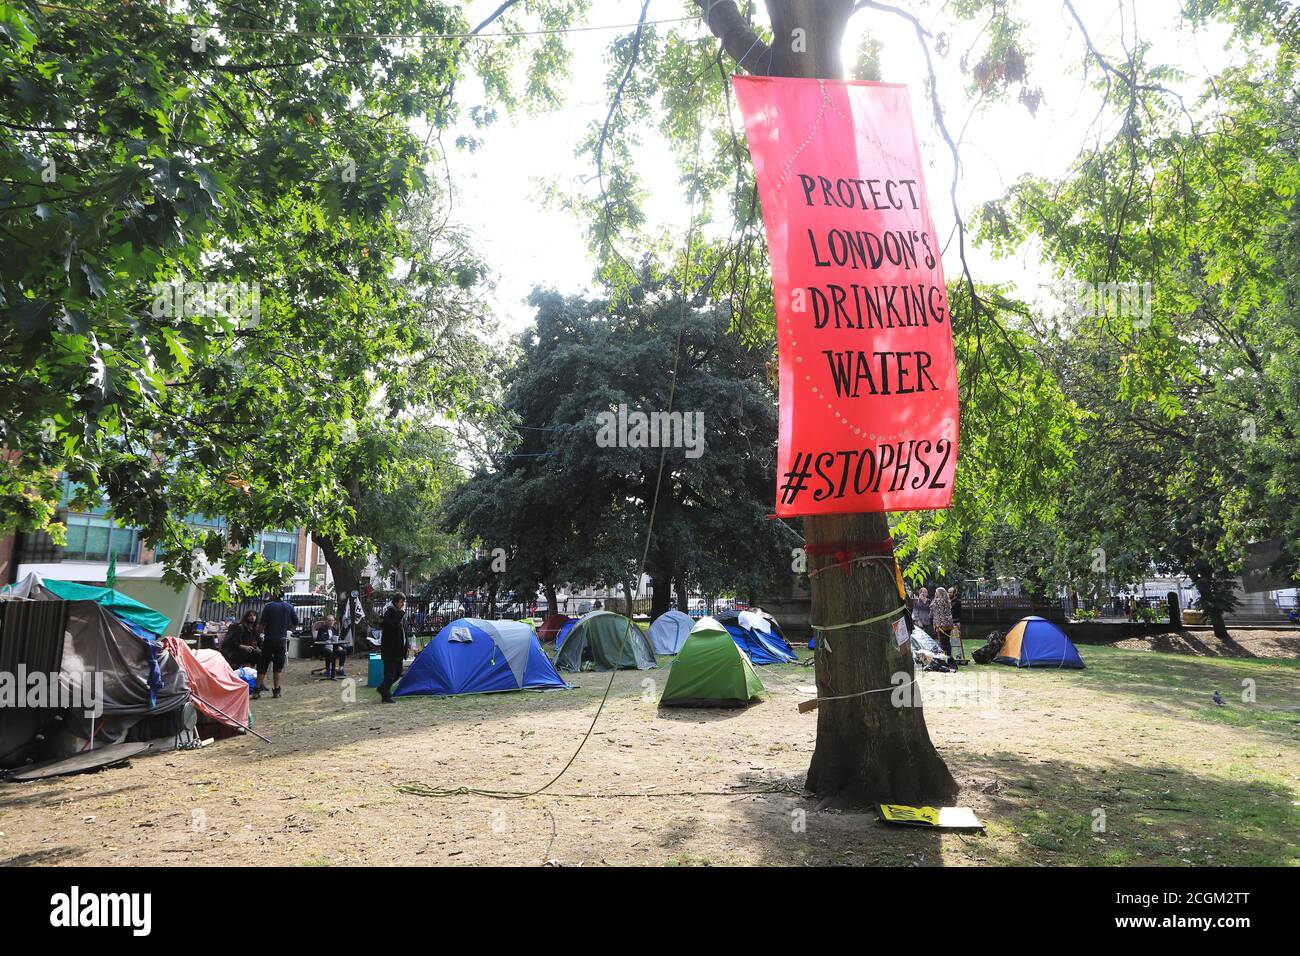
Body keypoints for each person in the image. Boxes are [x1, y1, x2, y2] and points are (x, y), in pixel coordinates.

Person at [255, 595, 297, 699]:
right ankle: (276, 690)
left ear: (273, 595)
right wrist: (288, 629)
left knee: (263, 665)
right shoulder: (289, 607)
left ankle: (257, 690)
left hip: (269, 639)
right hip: (281, 640)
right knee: (278, 666)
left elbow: (263, 624)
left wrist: (257, 634)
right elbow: (295, 622)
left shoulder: (268, 606)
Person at [377, 592, 408, 703]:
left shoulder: (401, 613)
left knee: (397, 673)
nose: (403, 604)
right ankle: (385, 695)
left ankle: (382, 689)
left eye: (404, 602)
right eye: (401, 602)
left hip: (399, 650)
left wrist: (406, 646)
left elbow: (403, 631)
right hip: (390, 650)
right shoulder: (390, 612)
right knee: (389, 675)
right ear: (396, 602)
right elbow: (393, 626)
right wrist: (400, 614)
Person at [314, 614, 350, 679]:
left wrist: (339, 645)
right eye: (329, 620)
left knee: (343, 651)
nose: (331, 622)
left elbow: (337, 639)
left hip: (333, 646)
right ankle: (328, 669)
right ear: (326, 621)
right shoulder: (322, 629)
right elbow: (321, 638)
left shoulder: (333, 629)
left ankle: (340, 669)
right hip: (323, 647)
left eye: (332, 620)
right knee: (329, 652)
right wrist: (330, 638)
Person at [931, 586, 954, 656]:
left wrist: (935, 598)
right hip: (949, 624)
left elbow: (931, 607)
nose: (935, 593)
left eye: (936, 592)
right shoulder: (947, 600)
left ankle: (945, 658)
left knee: (943, 643)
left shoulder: (938, 601)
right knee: (947, 641)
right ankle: (949, 656)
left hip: (941, 624)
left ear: (939, 593)